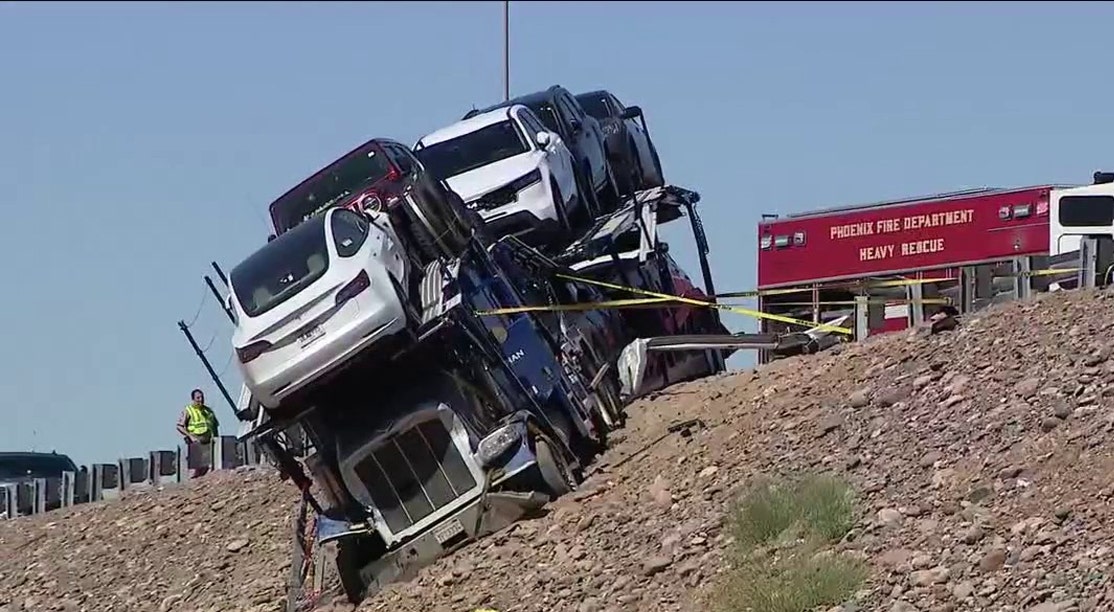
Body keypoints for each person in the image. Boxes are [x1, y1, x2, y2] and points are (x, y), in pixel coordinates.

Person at [177, 388, 220, 479]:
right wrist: (190, 436)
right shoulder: (188, 410)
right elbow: (179, 426)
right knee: (196, 469)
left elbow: (215, 426)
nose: (200, 400)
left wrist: (216, 440)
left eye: (202, 397)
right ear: (193, 399)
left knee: (207, 468)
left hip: (208, 442)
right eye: (198, 398)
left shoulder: (208, 411)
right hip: (196, 443)